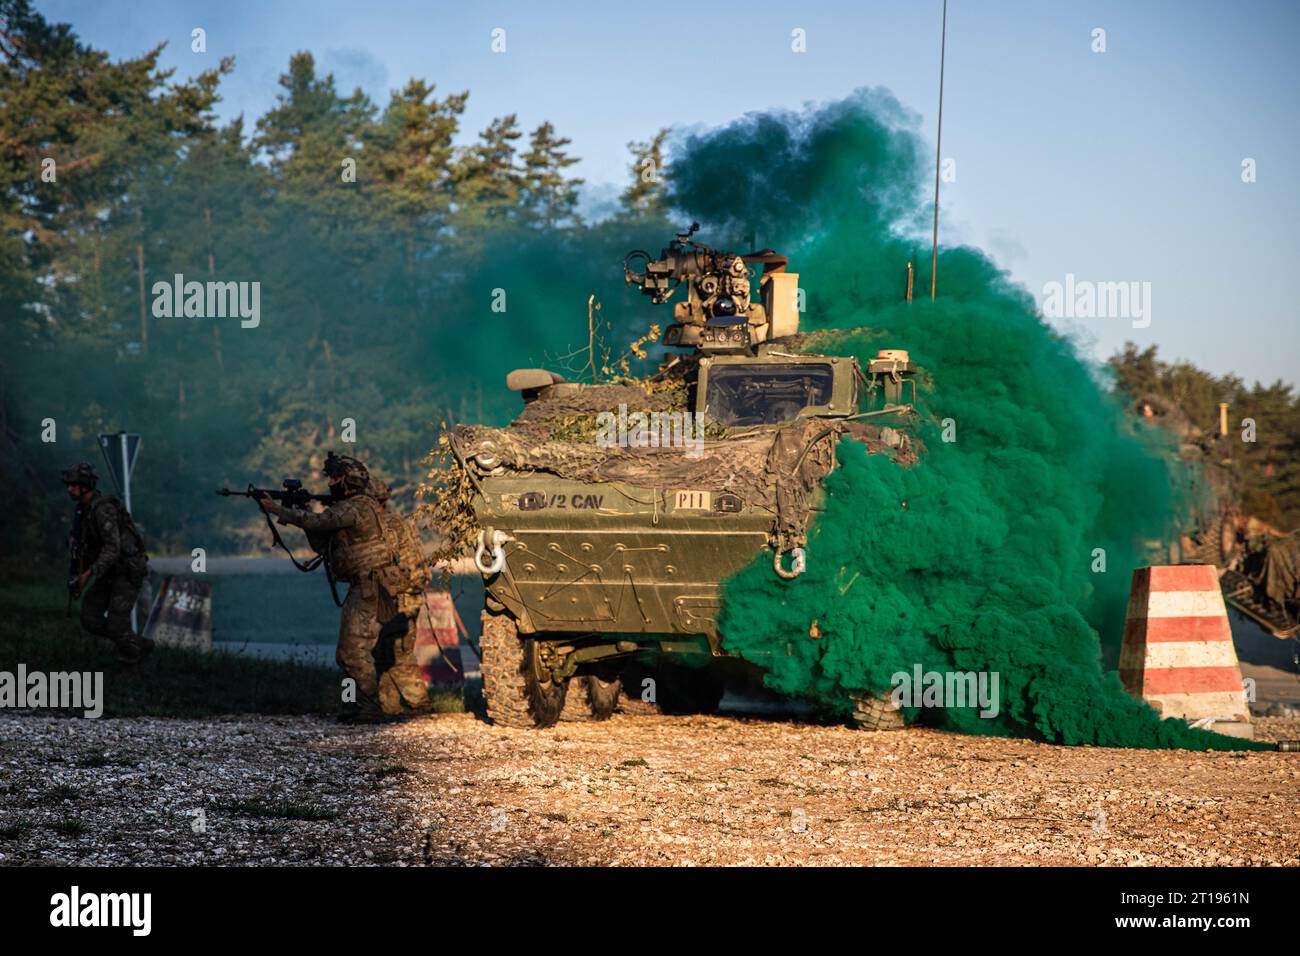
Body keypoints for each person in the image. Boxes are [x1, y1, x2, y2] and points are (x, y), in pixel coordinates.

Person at [257, 454, 427, 722]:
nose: (331, 483)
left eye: (335, 478)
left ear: (347, 482)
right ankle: (359, 705)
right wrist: (299, 507)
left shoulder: (356, 508)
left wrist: (278, 510)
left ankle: (369, 708)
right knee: (359, 652)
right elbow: (322, 542)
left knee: (353, 652)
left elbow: (318, 522)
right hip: (371, 586)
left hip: (370, 586)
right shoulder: (357, 507)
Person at [62, 462, 153, 663]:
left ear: (85, 485)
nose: (69, 488)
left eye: (73, 484)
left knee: (116, 624)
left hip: (127, 570)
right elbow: (82, 547)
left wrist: (87, 575)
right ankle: (138, 643)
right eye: (68, 484)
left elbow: (113, 548)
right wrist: (77, 573)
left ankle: (131, 664)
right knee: (90, 618)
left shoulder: (103, 509)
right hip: (109, 571)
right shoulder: (82, 511)